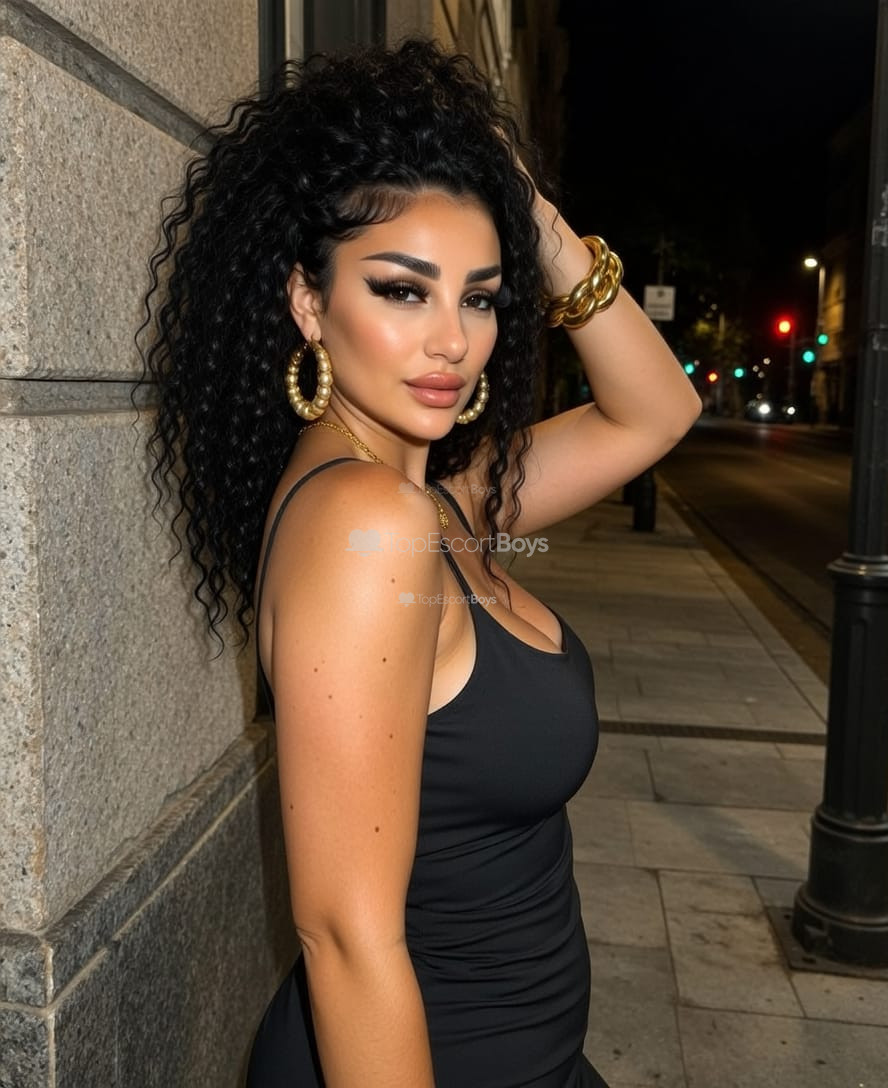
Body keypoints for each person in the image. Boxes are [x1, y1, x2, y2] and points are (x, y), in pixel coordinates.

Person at [139, 37, 701, 1088]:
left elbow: (656, 411)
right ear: (309, 302)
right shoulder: (369, 527)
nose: (453, 340)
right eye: (403, 291)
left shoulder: (432, 505)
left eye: (479, 297)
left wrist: (530, 214)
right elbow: (346, 939)